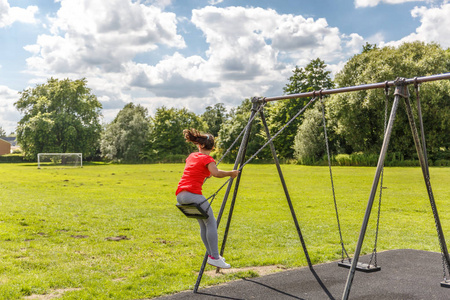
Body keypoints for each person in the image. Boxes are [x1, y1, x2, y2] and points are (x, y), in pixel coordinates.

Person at [176, 129, 239, 269]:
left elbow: (198, 170)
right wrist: (231, 173)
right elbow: (216, 173)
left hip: (180, 196)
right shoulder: (208, 159)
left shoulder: (192, 156)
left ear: (200, 145)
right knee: (211, 223)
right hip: (193, 194)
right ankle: (215, 257)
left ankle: (212, 255)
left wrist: (207, 171)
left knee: (203, 223)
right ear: (212, 147)